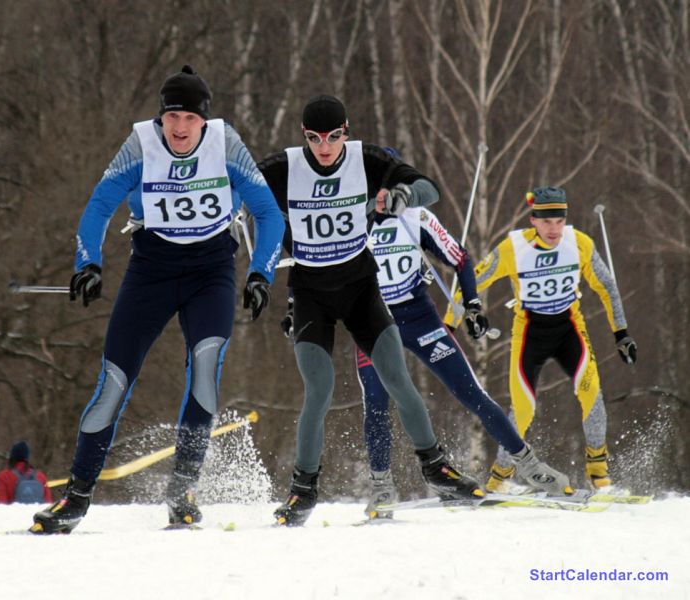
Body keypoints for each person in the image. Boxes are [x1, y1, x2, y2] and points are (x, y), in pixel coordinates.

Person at [259, 94, 542, 526]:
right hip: (312, 295)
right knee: (319, 391)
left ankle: (437, 469)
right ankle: (303, 492)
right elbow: (238, 189)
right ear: (304, 137)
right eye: (315, 138)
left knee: (398, 380)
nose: (325, 146)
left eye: (333, 136)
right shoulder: (284, 167)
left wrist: (404, 194)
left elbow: (430, 188)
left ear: (346, 132)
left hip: (361, 292)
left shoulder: (365, 160)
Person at [30, 65, 284, 534]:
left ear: (204, 121)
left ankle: (182, 492)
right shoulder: (140, 144)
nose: (181, 128)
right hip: (151, 271)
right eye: (173, 118)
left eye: (190, 118)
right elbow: (99, 205)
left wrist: (261, 274)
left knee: (205, 369)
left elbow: (269, 213)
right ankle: (76, 498)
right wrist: (88, 264)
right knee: (112, 382)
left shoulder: (225, 143)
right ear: (160, 119)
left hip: (211, 271)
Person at [355, 176, 571, 518]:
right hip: (373, 322)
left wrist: (472, 305)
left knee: (471, 392)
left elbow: (460, 259)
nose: (383, 198)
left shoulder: (417, 216)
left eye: (390, 190)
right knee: (376, 404)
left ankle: (528, 465)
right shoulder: (353, 220)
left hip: (420, 319)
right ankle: (382, 487)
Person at [446, 186, 637, 491]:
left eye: (560, 221)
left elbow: (607, 287)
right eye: (547, 222)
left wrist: (622, 333)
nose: (554, 229)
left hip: (569, 328)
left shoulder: (579, 243)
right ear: (533, 220)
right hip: (529, 332)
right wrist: (450, 326)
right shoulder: (513, 248)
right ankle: (500, 479)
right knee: (522, 410)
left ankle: (598, 471)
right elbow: (470, 283)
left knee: (592, 393)